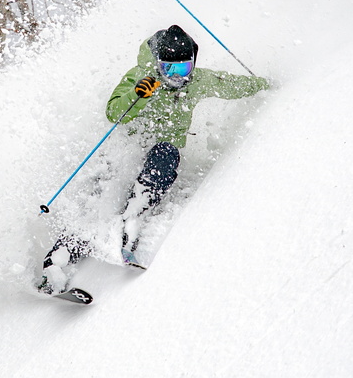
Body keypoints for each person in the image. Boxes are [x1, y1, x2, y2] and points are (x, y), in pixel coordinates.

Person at [38, 24, 268, 293]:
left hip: (161, 153)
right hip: (128, 149)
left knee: (166, 155)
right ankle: (56, 265)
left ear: (193, 64)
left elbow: (232, 85)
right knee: (97, 203)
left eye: (183, 68)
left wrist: (266, 86)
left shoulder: (198, 81)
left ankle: (130, 221)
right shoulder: (142, 77)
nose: (176, 77)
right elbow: (113, 113)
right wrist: (137, 95)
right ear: (158, 64)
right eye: (169, 69)